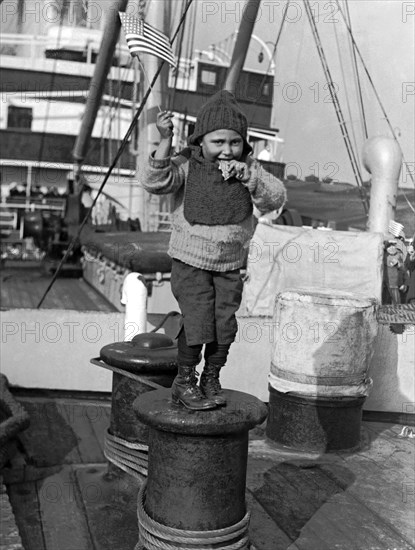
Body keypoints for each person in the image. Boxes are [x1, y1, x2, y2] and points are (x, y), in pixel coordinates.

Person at [143, 90, 286, 410]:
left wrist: (250, 177)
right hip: (190, 258)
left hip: (230, 262)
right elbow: (155, 181)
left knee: (224, 325)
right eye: (218, 142)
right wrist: (164, 141)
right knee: (197, 319)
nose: (226, 150)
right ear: (201, 141)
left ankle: (211, 376)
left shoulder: (248, 167)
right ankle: (184, 381)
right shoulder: (187, 163)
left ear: (244, 144)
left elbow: (275, 198)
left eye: (234, 143)